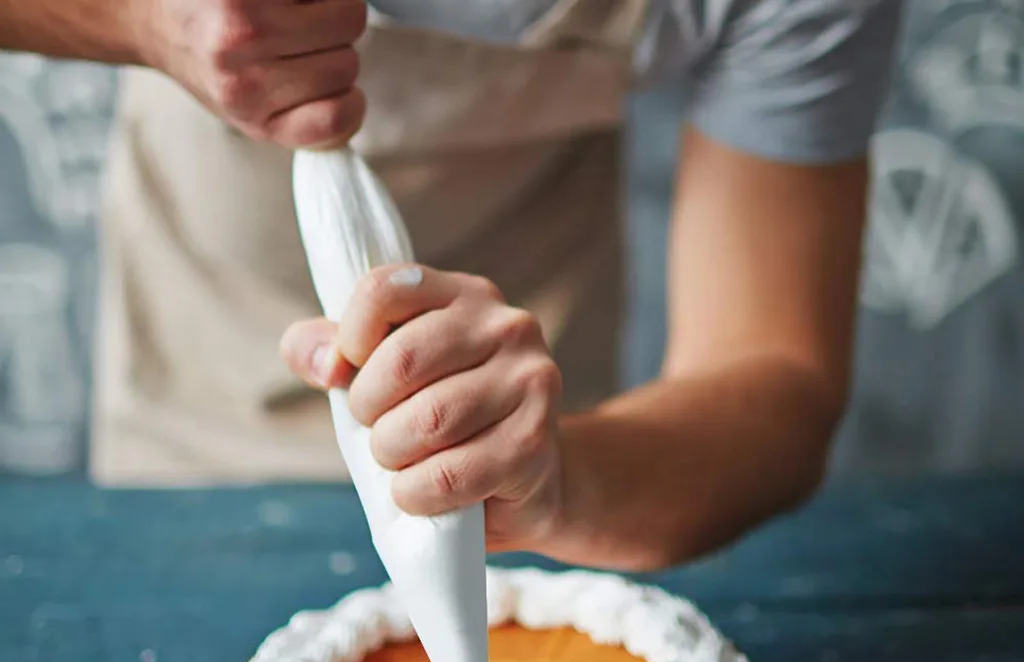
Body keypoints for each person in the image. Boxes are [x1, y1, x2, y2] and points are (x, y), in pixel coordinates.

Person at [1, 0, 901, 570]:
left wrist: (558, 481)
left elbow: (775, 375)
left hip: (527, 428)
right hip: (194, 405)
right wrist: (128, 17)